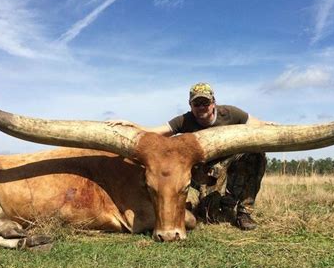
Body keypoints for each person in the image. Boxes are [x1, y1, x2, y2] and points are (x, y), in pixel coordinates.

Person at [108, 83, 268, 230]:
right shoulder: (184, 120)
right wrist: (131, 124)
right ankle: (222, 205)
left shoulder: (230, 113)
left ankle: (243, 212)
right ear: (190, 105)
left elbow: (255, 125)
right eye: (196, 103)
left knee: (255, 154)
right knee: (208, 216)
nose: (201, 107)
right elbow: (155, 132)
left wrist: (271, 127)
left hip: (230, 161)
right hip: (206, 170)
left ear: (213, 102)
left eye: (205, 102)